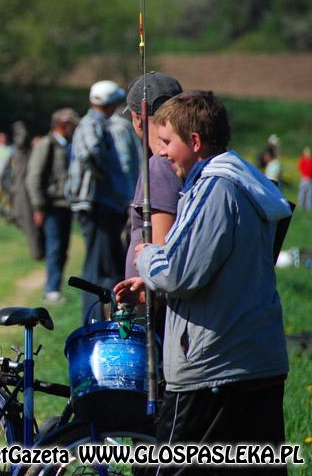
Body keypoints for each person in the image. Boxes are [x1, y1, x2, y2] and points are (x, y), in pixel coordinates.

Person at [115, 91, 292, 475]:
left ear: (194, 142)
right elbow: (216, 267)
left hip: (213, 370)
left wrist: (145, 255)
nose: (160, 153)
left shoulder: (215, 188)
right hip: (254, 362)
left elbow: (179, 272)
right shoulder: (244, 181)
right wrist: (153, 281)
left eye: (167, 142)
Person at [121, 72, 184, 335]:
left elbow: (161, 251)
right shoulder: (180, 159)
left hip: (158, 310)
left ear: (137, 119)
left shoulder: (159, 165)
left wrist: (147, 294)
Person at [65, 80, 130, 322]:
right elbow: (90, 152)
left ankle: (102, 316)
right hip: (98, 205)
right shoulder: (92, 123)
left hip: (103, 206)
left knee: (105, 265)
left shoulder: (97, 122)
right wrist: (103, 178)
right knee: (96, 268)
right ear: (110, 103)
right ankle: (92, 320)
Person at [25, 107, 79, 303]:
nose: (74, 127)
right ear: (61, 124)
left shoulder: (68, 145)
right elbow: (34, 177)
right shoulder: (47, 144)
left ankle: (55, 287)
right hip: (51, 206)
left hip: (65, 205)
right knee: (54, 248)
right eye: (71, 124)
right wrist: (38, 207)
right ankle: (51, 290)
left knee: (62, 248)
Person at [10, 120, 45, 261]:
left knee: (30, 221)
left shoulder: (25, 151)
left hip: (24, 190)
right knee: (24, 220)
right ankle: (38, 251)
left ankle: (38, 252)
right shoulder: (21, 151)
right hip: (21, 190)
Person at [298, 146, 312, 211]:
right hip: (304, 178)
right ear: (304, 153)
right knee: (302, 193)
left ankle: (308, 208)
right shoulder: (302, 160)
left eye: (308, 152)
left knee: (309, 194)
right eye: (306, 152)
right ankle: (300, 206)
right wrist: (303, 175)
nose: (308, 153)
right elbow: (300, 168)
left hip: (309, 179)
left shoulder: (311, 160)